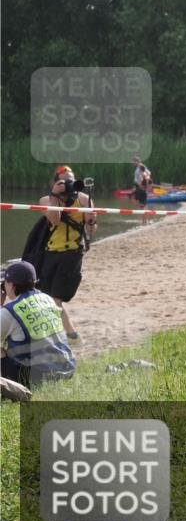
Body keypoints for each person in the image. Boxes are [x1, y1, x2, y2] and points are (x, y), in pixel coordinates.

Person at [37, 166, 95, 341]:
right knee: (45, 295)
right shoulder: (46, 200)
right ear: (55, 182)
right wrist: (55, 196)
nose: (67, 183)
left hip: (72, 253)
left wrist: (91, 221)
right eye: (63, 180)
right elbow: (54, 221)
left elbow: (92, 231)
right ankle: (60, 332)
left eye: (70, 179)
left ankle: (70, 333)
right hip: (50, 252)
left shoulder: (84, 199)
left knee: (55, 297)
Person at [1, 260, 76, 390]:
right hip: (67, 369)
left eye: (5, 283)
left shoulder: (9, 311)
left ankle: (10, 389)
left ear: (12, 286)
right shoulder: (47, 299)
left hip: (38, 379)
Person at [131, 157, 152, 226]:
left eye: (133, 162)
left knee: (142, 205)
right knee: (142, 204)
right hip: (139, 187)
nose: (132, 163)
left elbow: (148, 174)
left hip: (140, 188)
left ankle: (144, 221)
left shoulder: (141, 167)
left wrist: (143, 185)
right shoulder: (139, 168)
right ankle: (144, 220)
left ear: (137, 162)